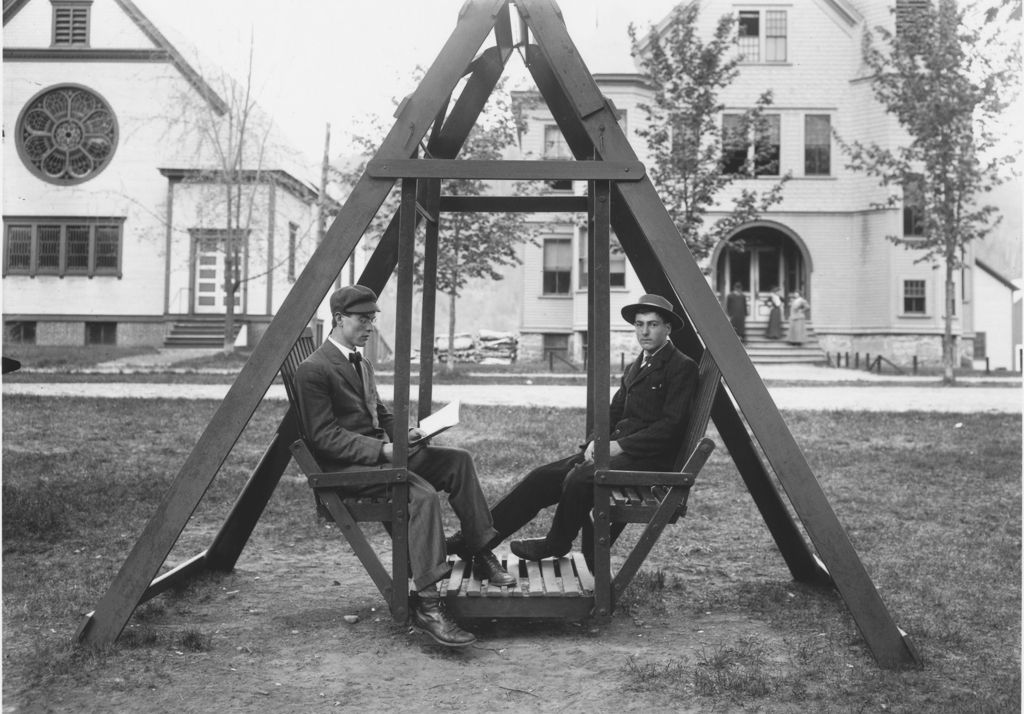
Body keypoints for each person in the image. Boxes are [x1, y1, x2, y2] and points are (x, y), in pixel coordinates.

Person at [294, 285, 515, 648]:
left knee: (457, 462)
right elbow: (324, 438)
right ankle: (428, 606)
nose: (369, 326)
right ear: (338, 320)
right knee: (421, 495)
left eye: (372, 319)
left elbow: (378, 413)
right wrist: (382, 450)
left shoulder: (358, 361)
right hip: (348, 469)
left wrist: (409, 432)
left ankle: (478, 549)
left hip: (380, 453)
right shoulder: (314, 370)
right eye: (363, 320)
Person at [448, 294, 697, 565]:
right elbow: (613, 413)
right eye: (639, 325)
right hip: (619, 452)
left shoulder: (681, 366)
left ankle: (556, 543)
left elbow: (670, 427)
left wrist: (620, 446)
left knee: (579, 480)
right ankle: (476, 540)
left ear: (668, 328)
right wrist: (595, 441)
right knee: (540, 479)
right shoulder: (638, 364)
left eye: (653, 324)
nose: (644, 332)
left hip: (650, 462)